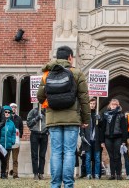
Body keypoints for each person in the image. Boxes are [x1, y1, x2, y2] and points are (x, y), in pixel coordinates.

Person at [37, 45, 90, 188]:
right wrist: (86, 120)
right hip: (72, 120)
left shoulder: (47, 73)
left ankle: (55, 185)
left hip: (53, 119)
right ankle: (68, 185)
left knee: (55, 152)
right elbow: (84, 99)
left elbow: (40, 97)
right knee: (69, 152)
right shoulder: (77, 73)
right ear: (70, 58)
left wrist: (51, 103)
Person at [100, 99, 127, 180]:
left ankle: (118, 174)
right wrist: (102, 141)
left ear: (118, 106)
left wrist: (124, 140)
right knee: (111, 157)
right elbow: (103, 128)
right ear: (110, 105)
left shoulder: (121, 115)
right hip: (108, 138)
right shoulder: (105, 115)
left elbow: (124, 128)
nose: (113, 106)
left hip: (118, 137)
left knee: (117, 156)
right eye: (112, 104)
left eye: (115, 104)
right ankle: (112, 174)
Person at [80, 98, 101, 179]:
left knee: (97, 158)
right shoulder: (85, 114)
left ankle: (96, 174)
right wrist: (81, 134)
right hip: (87, 140)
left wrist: (100, 119)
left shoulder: (97, 114)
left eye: (94, 104)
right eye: (91, 103)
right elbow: (82, 126)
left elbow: (101, 127)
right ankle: (88, 174)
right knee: (88, 158)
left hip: (96, 140)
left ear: (95, 105)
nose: (92, 105)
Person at [26, 107, 49, 180]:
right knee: (34, 155)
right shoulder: (33, 111)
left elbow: (51, 122)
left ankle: (41, 173)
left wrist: (48, 130)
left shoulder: (48, 112)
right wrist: (36, 118)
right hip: (35, 134)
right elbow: (29, 123)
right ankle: (35, 173)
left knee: (42, 155)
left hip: (44, 134)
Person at [0, 106, 16, 179]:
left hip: (7, 145)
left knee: (4, 161)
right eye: (5, 112)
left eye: (8, 112)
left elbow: (14, 133)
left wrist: (12, 141)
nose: (7, 113)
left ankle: (3, 174)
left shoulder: (12, 123)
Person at [6, 103, 23, 179]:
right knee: (6, 158)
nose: (13, 108)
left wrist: (20, 135)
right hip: (8, 141)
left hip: (16, 141)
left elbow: (21, 128)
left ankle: (15, 174)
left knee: (15, 159)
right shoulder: (6, 118)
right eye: (12, 107)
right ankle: (5, 172)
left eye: (15, 107)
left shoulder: (19, 118)